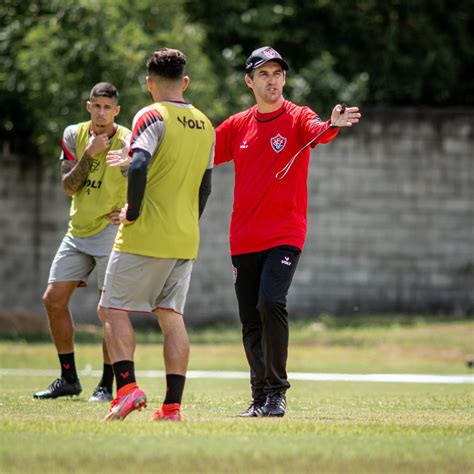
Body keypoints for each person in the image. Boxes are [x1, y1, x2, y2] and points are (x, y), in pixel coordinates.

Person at [214, 46, 361, 417]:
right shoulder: (236, 126)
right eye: (263, 74)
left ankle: (277, 392)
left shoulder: (298, 116)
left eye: (277, 73)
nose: (272, 80)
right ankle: (259, 395)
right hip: (243, 236)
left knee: (270, 303)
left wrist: (333, 124)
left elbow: (318, 131)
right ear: (249, 81)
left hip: (285, 233)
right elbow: (201, 153)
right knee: (250, 319)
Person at [99, 48, 214, 422]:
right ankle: (172, 408)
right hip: (186, 237)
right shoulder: (205, 124)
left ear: (149, 83)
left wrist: (132, 210)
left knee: (111, 309)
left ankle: (128, 389)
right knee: (171, 315)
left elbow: (143, 162)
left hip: (146, 234)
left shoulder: (150, 114)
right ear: (185, 82)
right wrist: (188, 222)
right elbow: (205, 187)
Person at [34, 82, 131, 402]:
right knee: (53, 300)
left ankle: (106, 384)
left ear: (117, 111)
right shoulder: (74, 135)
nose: (101, 112)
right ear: (88, 106)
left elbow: (145, 176)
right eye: (96, 106)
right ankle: (68, 378)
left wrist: (131, 209)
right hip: (77, 232)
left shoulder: (128, 139)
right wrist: (89, 154)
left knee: (108, 311)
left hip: (109, 231)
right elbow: (69, 187)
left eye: (108, 107)